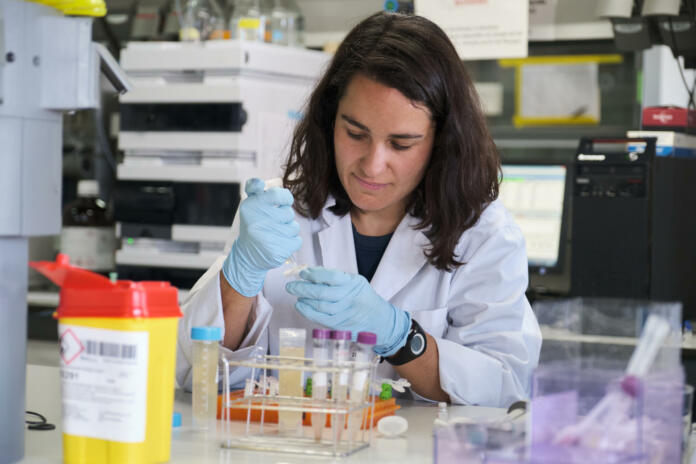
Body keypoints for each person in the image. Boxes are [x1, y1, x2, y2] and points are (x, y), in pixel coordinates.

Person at [176, 11, 541, 407]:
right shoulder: (277, 212)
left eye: (401, 144)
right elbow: (197, 375)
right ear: (329, 120)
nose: (372, 164)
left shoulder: (483, 233)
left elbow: (506, 387)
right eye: (355, 133)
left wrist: (401, 337)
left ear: (441, 141)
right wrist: (239, 276)